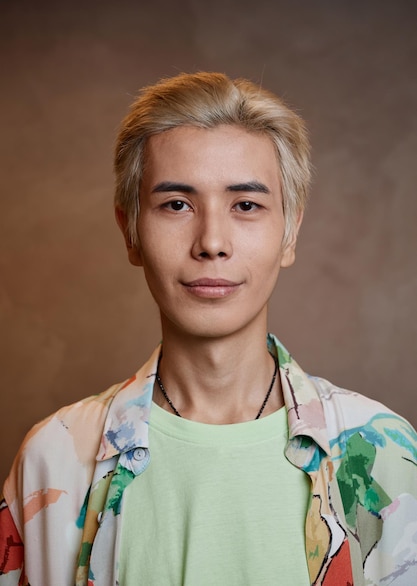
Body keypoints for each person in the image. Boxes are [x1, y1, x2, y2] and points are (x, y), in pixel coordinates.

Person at [1, 72, 416, 586]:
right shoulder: (55, 457)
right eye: (177, 204)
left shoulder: (385, 454)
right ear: (130, 231)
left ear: (290, 234)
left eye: (246, 205)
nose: (212, 241)